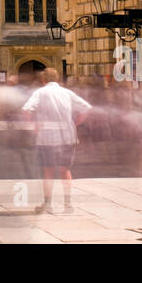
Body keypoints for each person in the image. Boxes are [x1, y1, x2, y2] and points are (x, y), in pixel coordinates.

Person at [21, 68, 92, 214]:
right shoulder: (67, 92)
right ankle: (68, 205)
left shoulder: (40, 92)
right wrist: (75, 123)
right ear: (57, 78)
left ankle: (47, 204)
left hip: (47, 137)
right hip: (67, 136)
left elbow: (26, 110)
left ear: (43, 80)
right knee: (65, 170)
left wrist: (34, 125)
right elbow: (86, 108)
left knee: (48, 170)